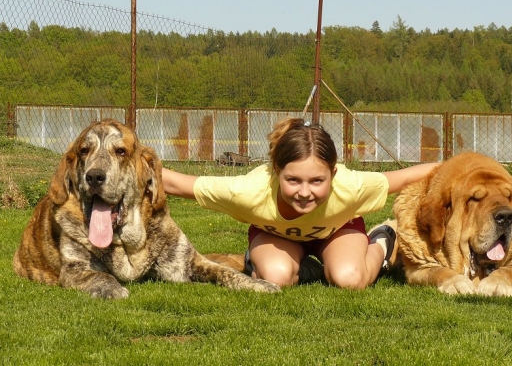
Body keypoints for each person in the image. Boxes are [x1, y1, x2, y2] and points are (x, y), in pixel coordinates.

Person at [162, 117, 438, 289]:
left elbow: (406, 177)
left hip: (337, 231)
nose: (305, 192)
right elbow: (176, 183)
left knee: (350, 280)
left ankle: (381, 241)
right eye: (293, 180)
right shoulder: (248, 190)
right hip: (277, 236)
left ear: (333, 174)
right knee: (275, 277)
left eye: (317, 181)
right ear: (275, 171)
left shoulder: (350, 186)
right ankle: (273, 261)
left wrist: (467, 167)